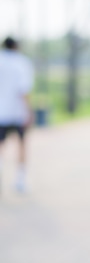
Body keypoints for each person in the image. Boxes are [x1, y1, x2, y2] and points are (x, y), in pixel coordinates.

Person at [0, 36, 34, 194]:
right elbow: (24, 90)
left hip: (1, 113)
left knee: (1, 146)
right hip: (17, 113)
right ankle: (20, 180)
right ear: (17, 47)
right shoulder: (22, 63)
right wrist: (29, 111)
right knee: (21, 144)